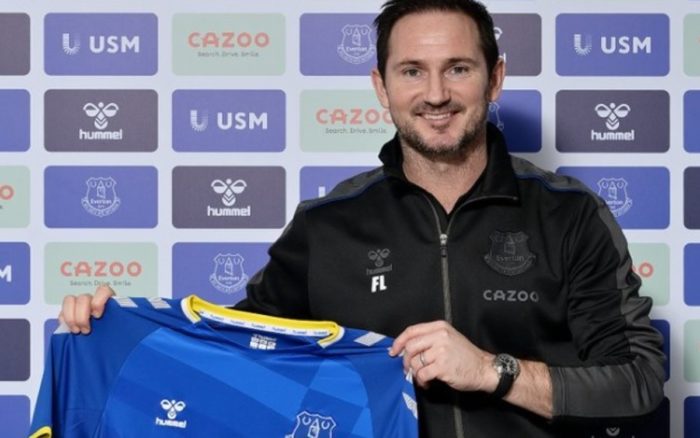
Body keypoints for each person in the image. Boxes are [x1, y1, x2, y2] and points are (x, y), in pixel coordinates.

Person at [60, 0, 666, 436]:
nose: (436, 93)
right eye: (412, 71)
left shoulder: (568, 213)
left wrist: (491, 371)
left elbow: (637, 384)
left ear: (495, 78)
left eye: (458, 68)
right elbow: (235, 363)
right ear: (381, 86)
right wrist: (117, 330)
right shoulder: (327, 226)